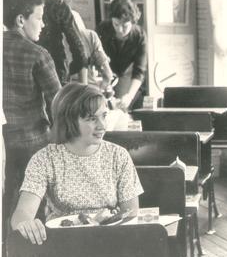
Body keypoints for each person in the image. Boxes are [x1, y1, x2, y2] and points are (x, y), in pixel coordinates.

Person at [11, 83, 143, 246]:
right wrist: (26, 224)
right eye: (92, 118)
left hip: (109, 243)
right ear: (69, 120)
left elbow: (130, 214)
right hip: (61, 244)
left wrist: (115, 218)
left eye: (103, 116)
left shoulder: (118, 156)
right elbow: (22, 214)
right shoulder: (45, 159)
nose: (102, 126)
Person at [2, 0, 62, 253]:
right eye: (39, 17)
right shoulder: (37, 54)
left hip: (4, 146)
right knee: (32, 210)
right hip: (33, 146)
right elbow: (60, 105)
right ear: (20, 20)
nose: (44, 24)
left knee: (6, 202)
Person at [97, 0, 147, 110]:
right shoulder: (102, 29)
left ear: (133, 22)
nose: (119, 29)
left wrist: (129, 96)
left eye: (125, 26)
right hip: (104, 75)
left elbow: (139, 71)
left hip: (127, 76)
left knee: (123, 108)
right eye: (116, 24)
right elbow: (95, 57)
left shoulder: (140, 36)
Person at [34, 0, 87, 85]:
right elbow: (78, 47)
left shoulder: (20, 1)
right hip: (56, 68)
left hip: (28, 67)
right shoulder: (58, 5)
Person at [69, 10, 114, 90]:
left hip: (66, 94)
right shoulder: (90, 36)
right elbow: (108, 74)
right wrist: (101, 88)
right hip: (91, 92)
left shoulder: (53, 41)